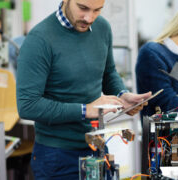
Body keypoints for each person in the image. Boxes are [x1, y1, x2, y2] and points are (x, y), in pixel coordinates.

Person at [16, 0, 151, 179]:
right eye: (83, 8)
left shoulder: (102, 28)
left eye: (97, 10)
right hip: (57, 157)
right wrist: (85, 110)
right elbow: (27, 105)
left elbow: (108, 72)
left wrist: (122, 95)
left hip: (97, 148)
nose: (89, 18)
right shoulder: (39, 39)